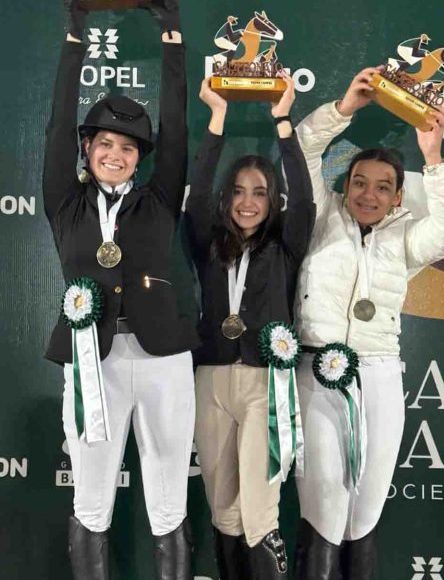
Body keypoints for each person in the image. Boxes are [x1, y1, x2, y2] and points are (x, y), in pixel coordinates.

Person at [292, 68, 444, 580]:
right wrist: (344, 108)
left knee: (365, 508)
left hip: (379, 376)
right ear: (344, 186)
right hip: (317, 373)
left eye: (382, 187)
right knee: (324, 503)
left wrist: (433, 156)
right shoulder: (319, 218)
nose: (368, 195)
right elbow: (303, 148)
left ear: (397, 197)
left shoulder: (406, 238)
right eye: (359, 183)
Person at [43, 1, 198, 578]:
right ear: (87, 149)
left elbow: (177, 126)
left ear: (140, 158)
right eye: (105, 143)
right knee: (91, 499)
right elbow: (59, 122)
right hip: (93, 363)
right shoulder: (64, 201)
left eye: (129, 147)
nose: (116, 154)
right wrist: (74, 37)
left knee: (169, 500)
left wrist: (172, 36)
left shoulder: (159, 201)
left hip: (163, 359)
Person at [184, 76, 314, 579]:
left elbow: (304, 201)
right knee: (223, 509)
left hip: (265, 385)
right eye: (238, 191)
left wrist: (283, 121)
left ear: (273, 199)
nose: (247, 202)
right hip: (212, 379)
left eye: (260, 193)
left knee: (260, 511)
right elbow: (196, 198)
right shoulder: (207, 243)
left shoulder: (286, 246)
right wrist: (216, 119)